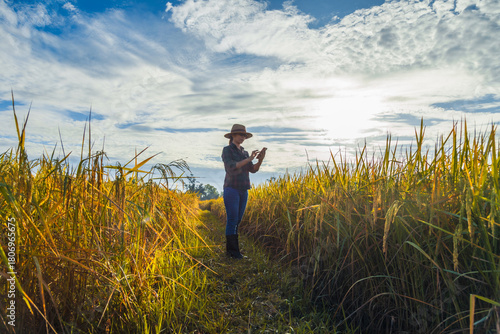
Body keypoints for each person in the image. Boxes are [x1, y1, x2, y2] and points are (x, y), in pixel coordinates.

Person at [221, 124, 266, 259]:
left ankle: (232, 251)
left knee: (238, 220)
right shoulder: (227, 150)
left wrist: (260, 160)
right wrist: (249, 159)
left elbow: (253, 170)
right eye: (240, 134)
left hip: (243, 189)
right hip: (231, 189)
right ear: (233, 136)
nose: (243, 137)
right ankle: (233, 253)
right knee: (232, 219)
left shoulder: (245, 153)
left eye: (244, 135)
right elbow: (231, 167)